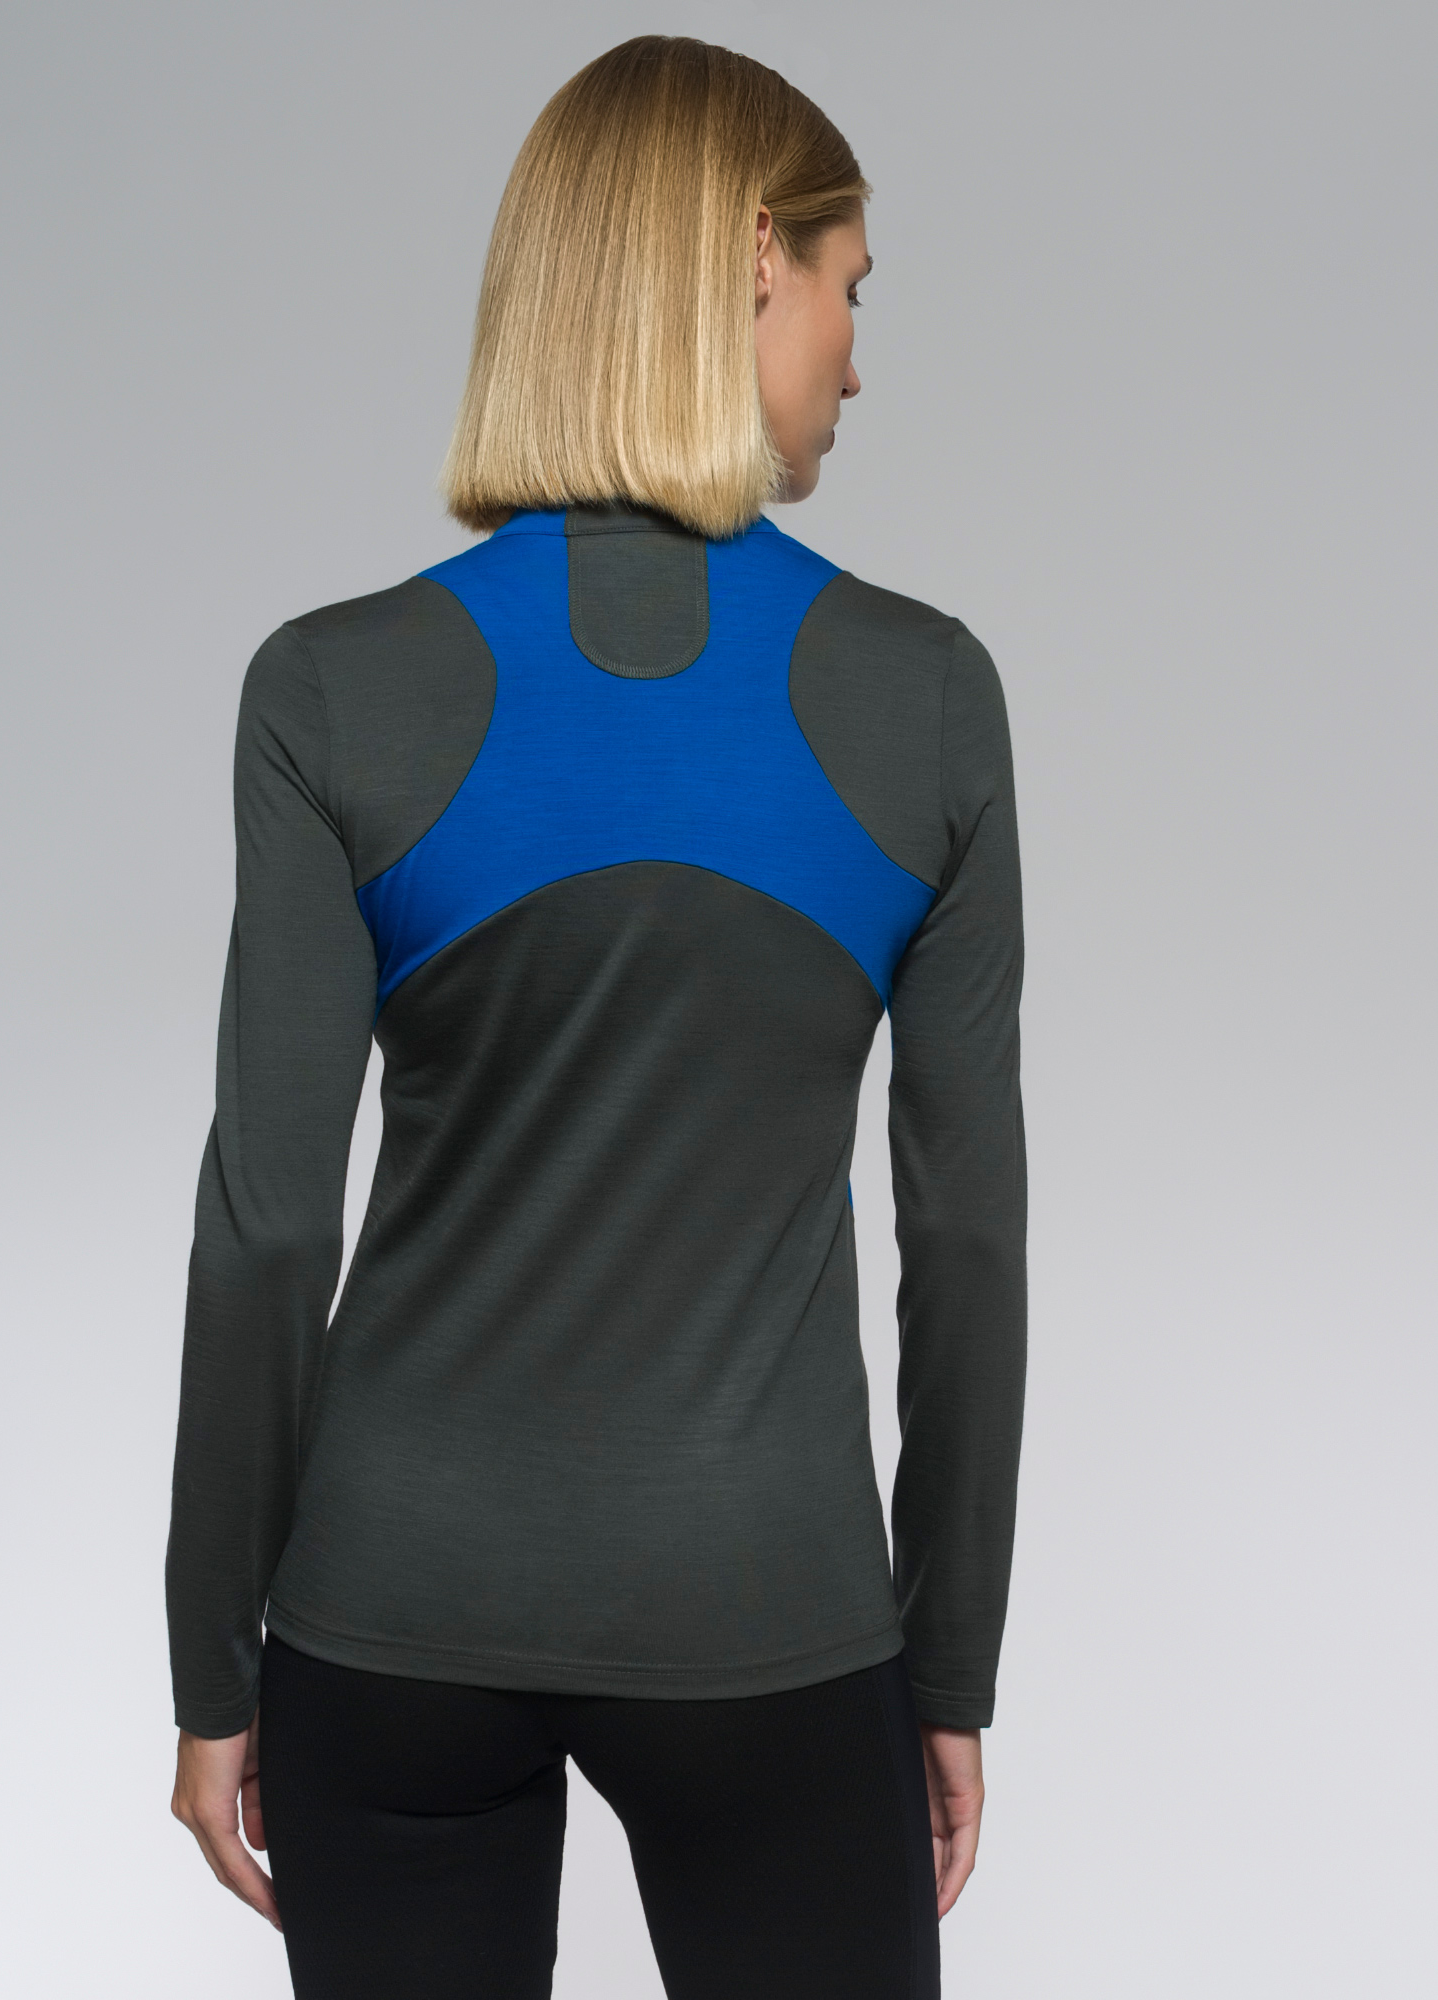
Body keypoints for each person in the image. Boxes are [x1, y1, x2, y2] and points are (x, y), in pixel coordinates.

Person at [166, 34, 1026, 2000]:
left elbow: (270, 1222)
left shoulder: (330, 688)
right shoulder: (927, 699)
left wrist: (214, 1664)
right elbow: (969, 1235)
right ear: (755, 257)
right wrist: (949, 1662)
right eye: (853, 287)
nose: (858, 361)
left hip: (390, 1617)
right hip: (770, 1614)